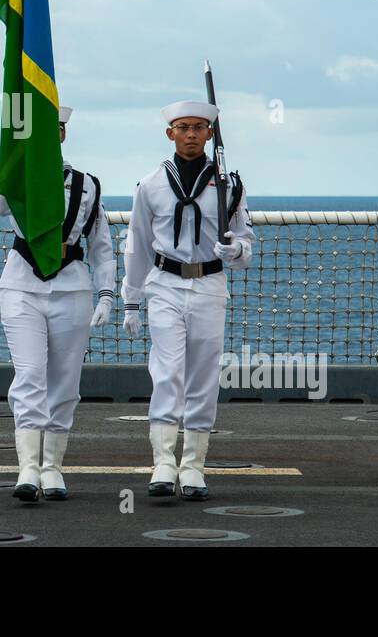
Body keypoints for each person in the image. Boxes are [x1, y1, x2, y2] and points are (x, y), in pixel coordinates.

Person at [119, 99, 254, 501]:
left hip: (209, 284)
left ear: (210, 134)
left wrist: (236, 251)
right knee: (167, 371)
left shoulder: (229, 185)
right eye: (183, 127)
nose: (191, 134)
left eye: (199, 127)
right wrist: (131, 297)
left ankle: (193, 464)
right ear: (170, 134)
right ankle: (163, 461)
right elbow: (137, 244)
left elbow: (245, 242)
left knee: (202, 375)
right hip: (165, 283)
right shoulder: (150, 185)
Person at [0, 106, 116, 502]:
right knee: (29, 376)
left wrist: (108, 293)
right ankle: (28, 466)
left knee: (64, 381)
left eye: (54, 129)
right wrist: (14, 149)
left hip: (70, 287)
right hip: (23, 286)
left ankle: (52, 466)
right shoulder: (16, 176)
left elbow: (102, 246)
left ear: (62, 135)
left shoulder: (87, 184)